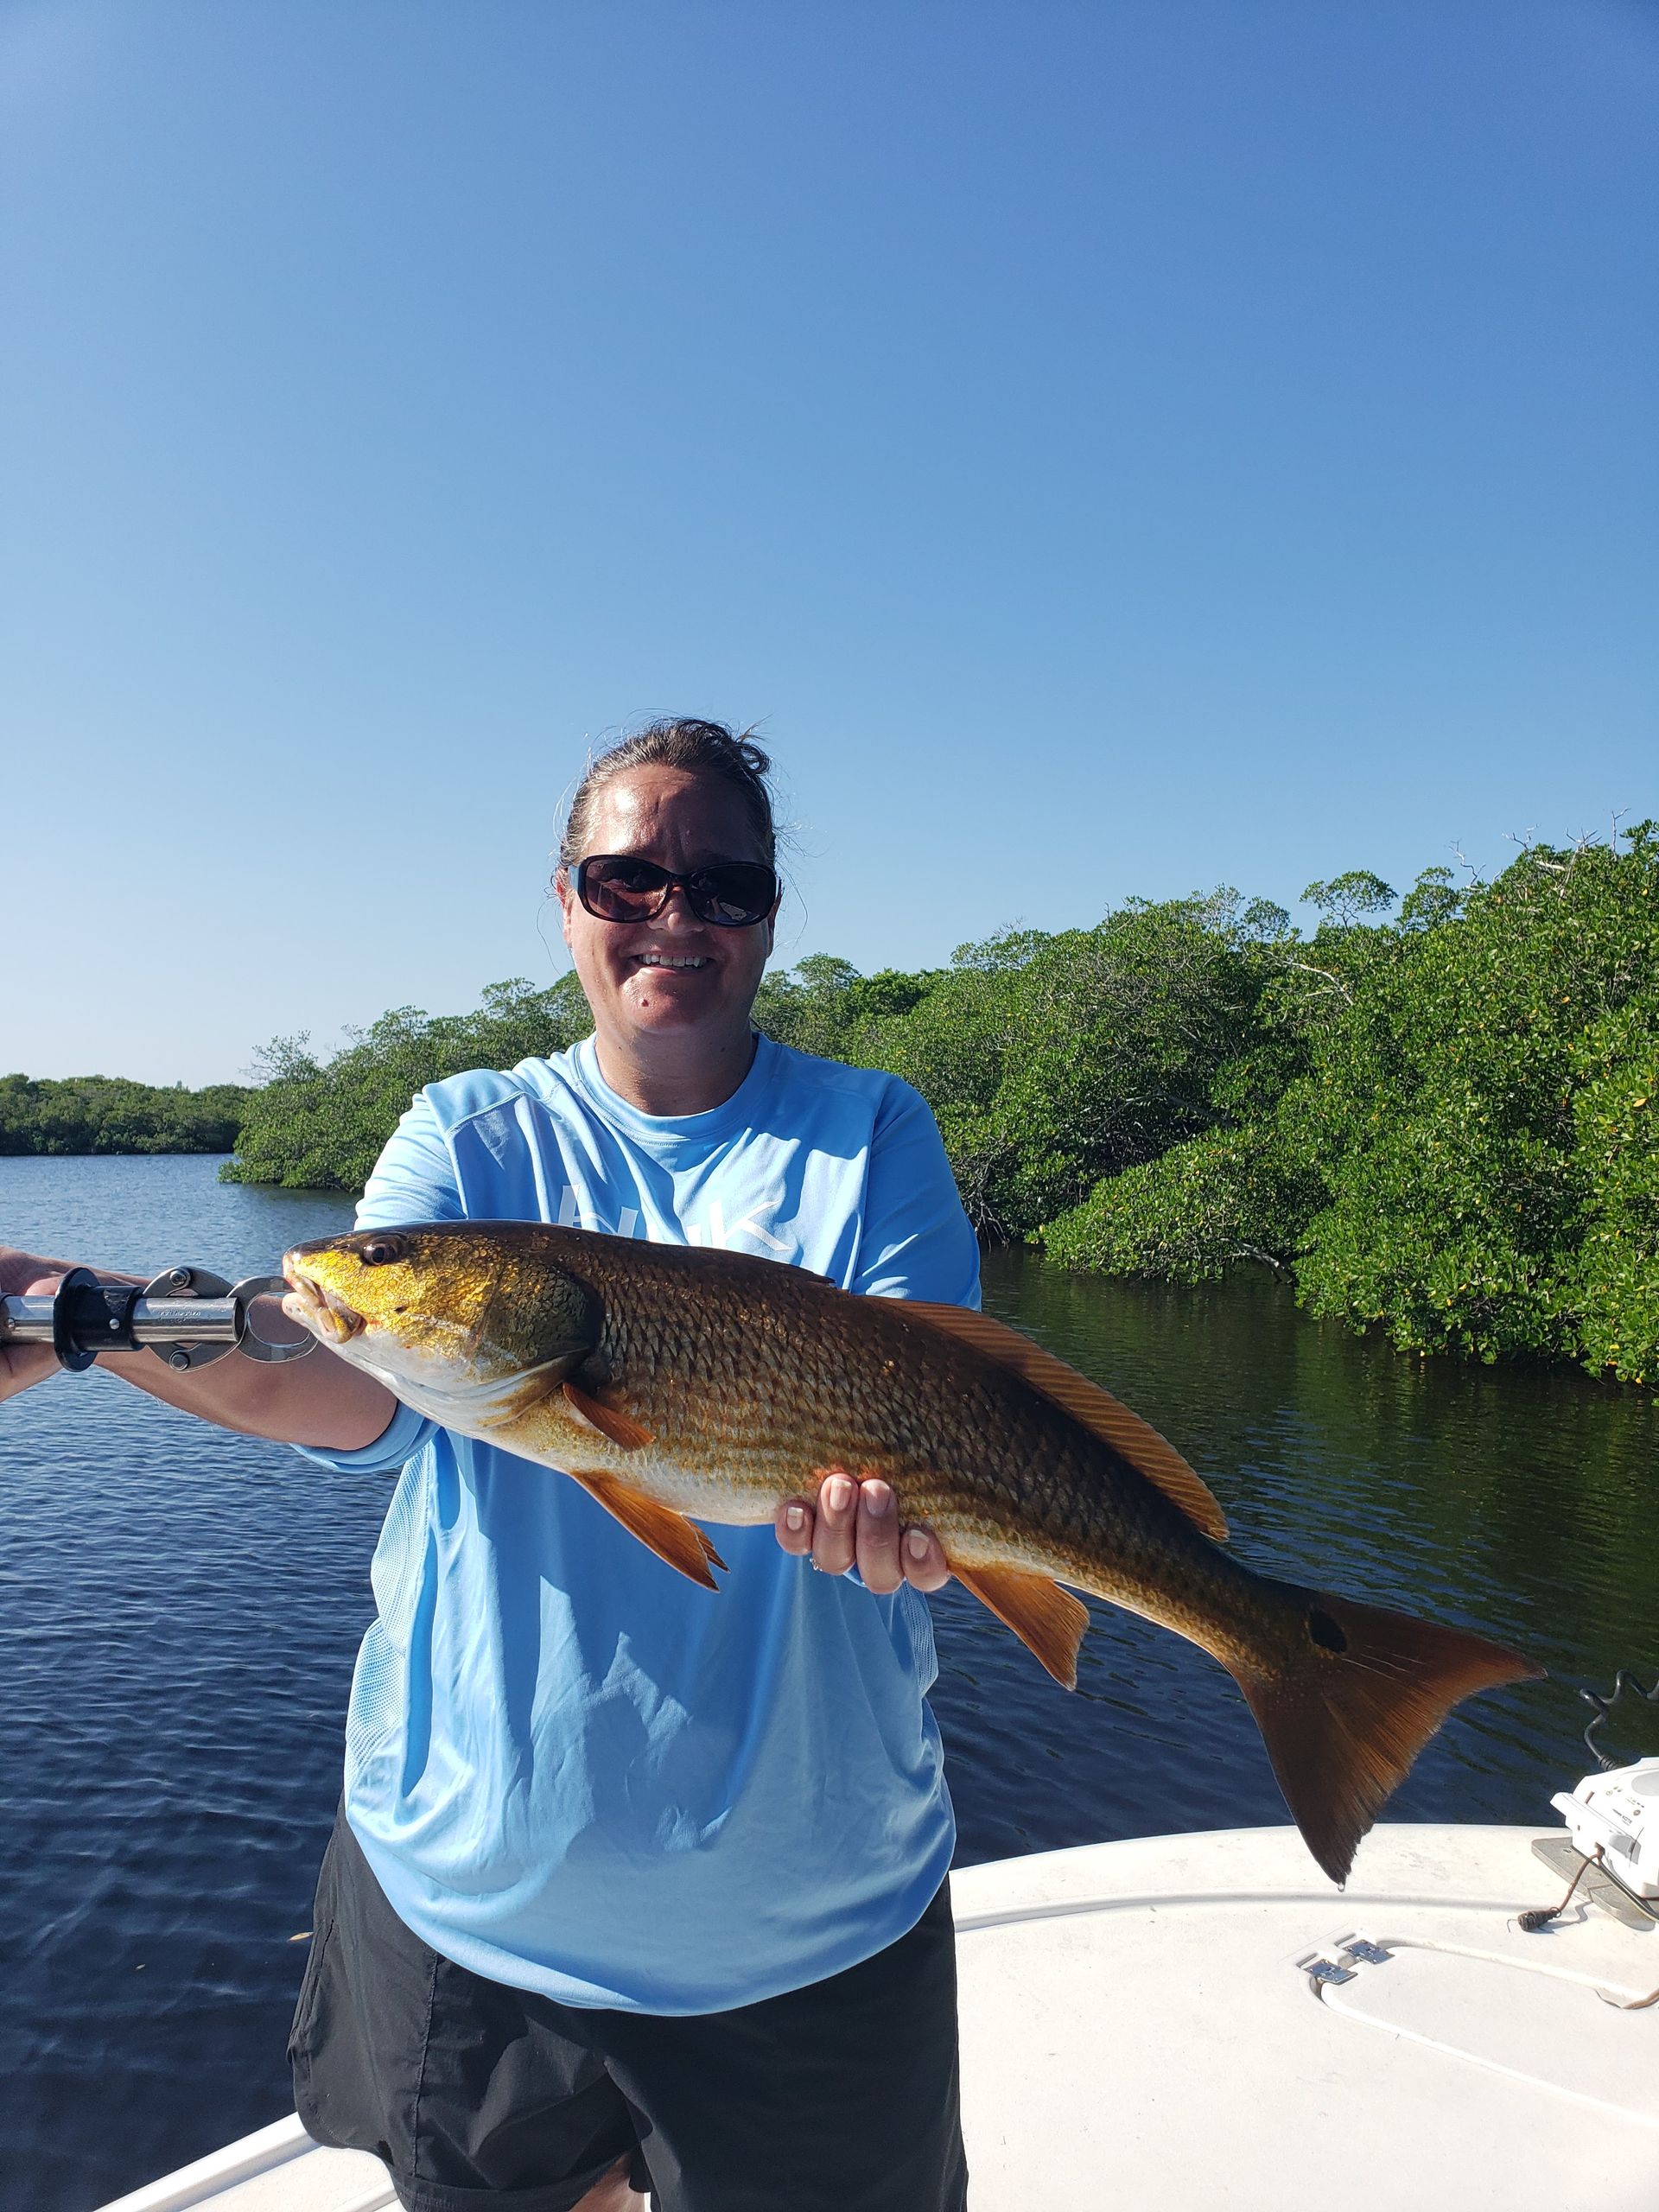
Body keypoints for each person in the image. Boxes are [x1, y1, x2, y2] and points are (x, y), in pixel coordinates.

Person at [0, 720, 978, 2212]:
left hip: (811, 1921)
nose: (674, 918)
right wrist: (72, 1306)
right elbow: (332, 1376)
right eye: (627, 878)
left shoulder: (870, 1134)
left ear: (770, 912)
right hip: (474, 1897)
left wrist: (921, 1533)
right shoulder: (469, 1133)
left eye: (722, 885)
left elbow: (945, 1413)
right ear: (567, 896)